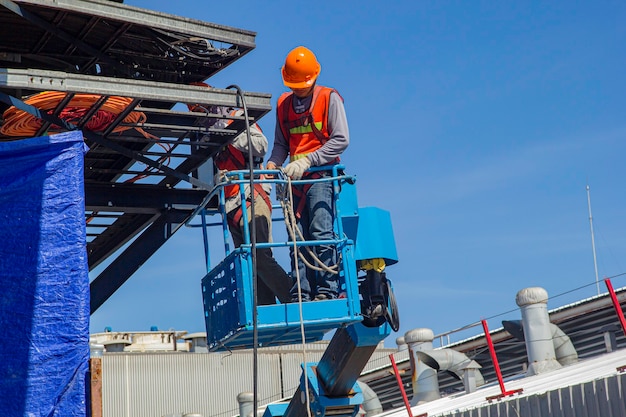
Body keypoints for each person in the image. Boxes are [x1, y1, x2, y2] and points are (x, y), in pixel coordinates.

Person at [188, 86, 292, 305]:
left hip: (251, 196)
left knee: (260, 256)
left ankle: (294, 298)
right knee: (249, 263)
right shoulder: (206, 133)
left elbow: (261, 146)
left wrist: (231, 133)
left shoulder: (237, 118)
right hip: (231, 203)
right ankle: (265, 310)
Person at [266, 46, 350, 302]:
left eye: (301, 84)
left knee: (320, 232)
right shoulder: (283, 104)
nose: (298, 89)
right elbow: (281, 144)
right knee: (296, 237)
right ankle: (301, 292)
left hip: (321, 176)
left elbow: (341, 140)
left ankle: (326, 290)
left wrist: (308, 161)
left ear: (313, 77)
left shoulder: (328, 98)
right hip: (294, 180)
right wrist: (273, 164)